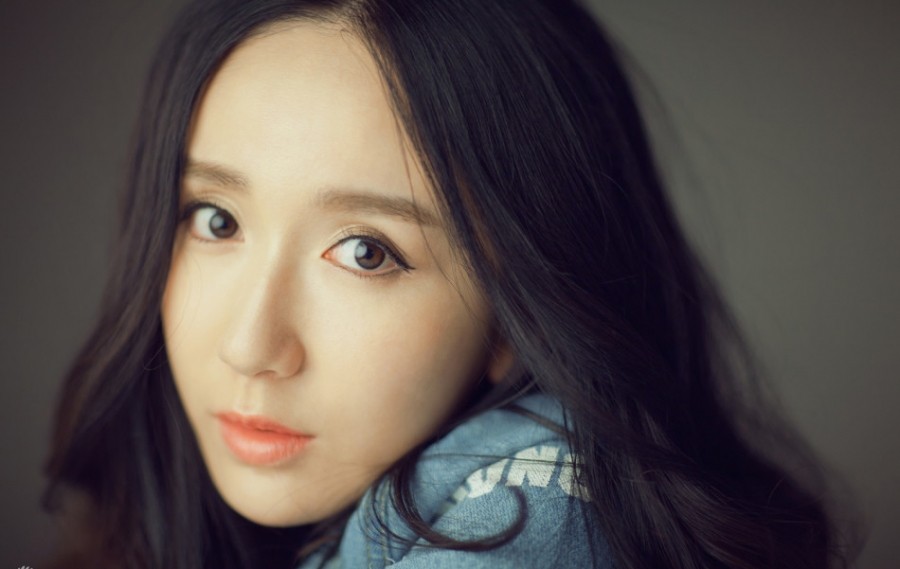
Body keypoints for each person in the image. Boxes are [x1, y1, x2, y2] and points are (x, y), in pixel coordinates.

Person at [42, 0, 857, 567]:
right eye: (216, 219)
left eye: (366, 251)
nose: (252, 345)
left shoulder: (534, 518)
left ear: (515, 310)